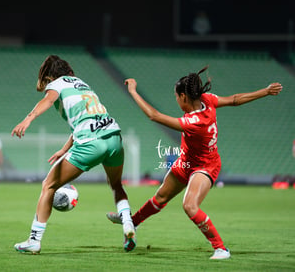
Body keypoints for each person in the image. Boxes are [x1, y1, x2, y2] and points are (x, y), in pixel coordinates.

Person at [107, 66, 282, 260]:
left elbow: (154, 116)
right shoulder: (207, 101)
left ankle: (221, 249)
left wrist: (132, 91)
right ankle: (132, 223)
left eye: (176, 96)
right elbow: (234, 100)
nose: (176, 100)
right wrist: (265, 91)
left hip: (206, 166)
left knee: (189, 205)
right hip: (187, 162)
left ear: (183, 96)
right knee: (160, 197)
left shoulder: (194, 122)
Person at [11, 55, 136, 254]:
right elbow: (85, 119)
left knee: (49, 185)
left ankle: (34, 240)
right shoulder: (82, 84)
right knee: (116, 185)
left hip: (90, 144)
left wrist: (28, 119)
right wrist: (64, 149)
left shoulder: (57, 84)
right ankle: (128, 225)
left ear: (50, 76)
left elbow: (47, 100)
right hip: (114, 138)